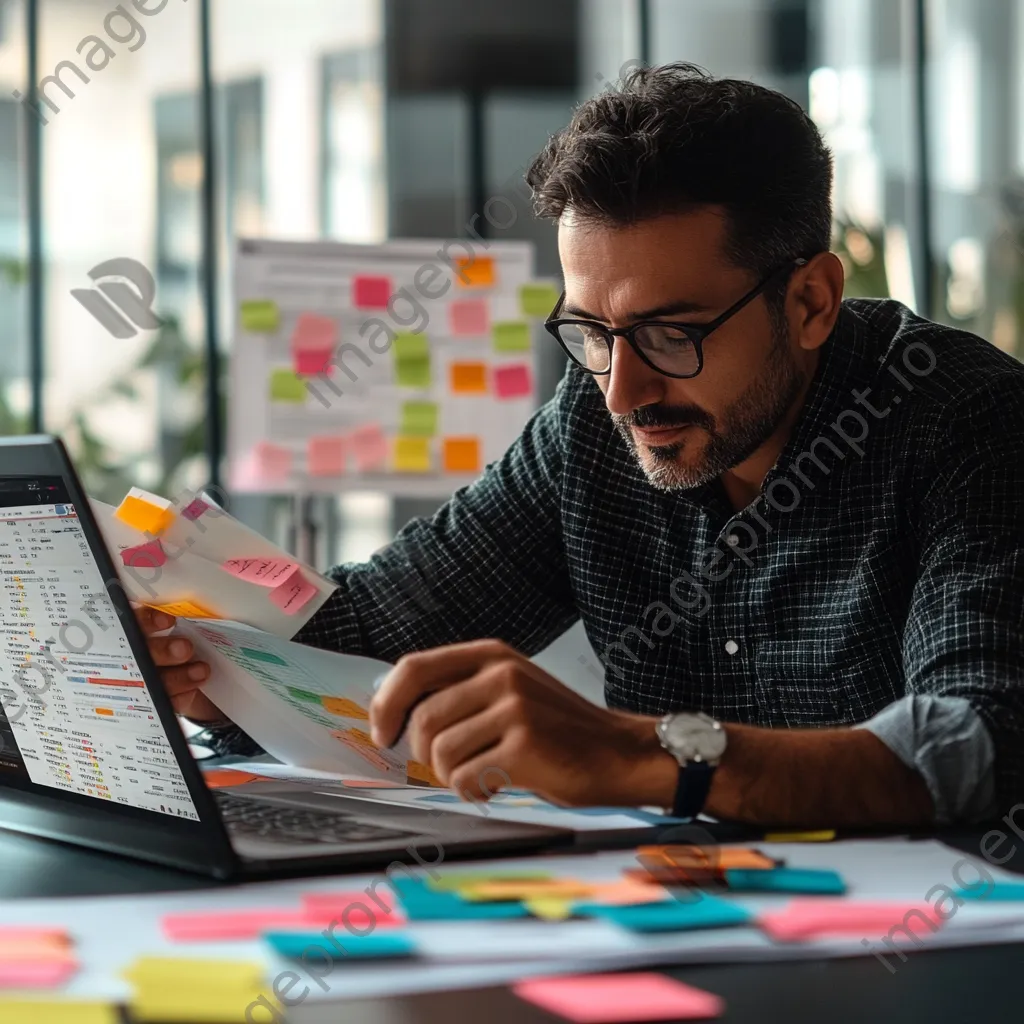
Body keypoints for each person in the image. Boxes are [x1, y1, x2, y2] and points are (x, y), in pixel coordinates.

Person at [140, 62, 1024, 827]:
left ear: (811, 303)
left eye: (672, 333)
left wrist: (639, 754)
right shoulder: (591, 425)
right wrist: (193, 651)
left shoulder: (967, 422)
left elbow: (977, 743)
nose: (625, 391)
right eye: (593, 333)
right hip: (690, 936)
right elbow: (371, 640)